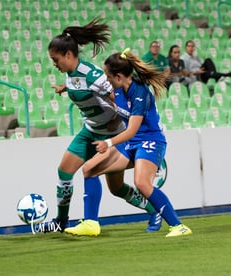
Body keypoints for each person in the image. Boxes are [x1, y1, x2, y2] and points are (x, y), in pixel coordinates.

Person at [38, 19, 162, 235]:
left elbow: (117, 97)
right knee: (64, 171)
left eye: (55, 59)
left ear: (68, 55)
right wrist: (65, 89)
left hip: (110, 134)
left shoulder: (92, 75)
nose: (54, 64)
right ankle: (61, 221)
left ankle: (154, 211)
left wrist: (125, 127)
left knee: (115, 188)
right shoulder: (71, 74)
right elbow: (81, 87)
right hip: (90, 131)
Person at [68, 48, 192, 237]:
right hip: (131, 142)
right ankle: (91, 223)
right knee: (89, 169)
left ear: (118, 76)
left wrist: (108, 143)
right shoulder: (116, 90)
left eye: (108, 76)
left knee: (142, 183)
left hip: (150, 140)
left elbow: (132, 129)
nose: (106, 80)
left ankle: (178, 226)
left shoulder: (140, 92)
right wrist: (66, 88)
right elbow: (104, 100)